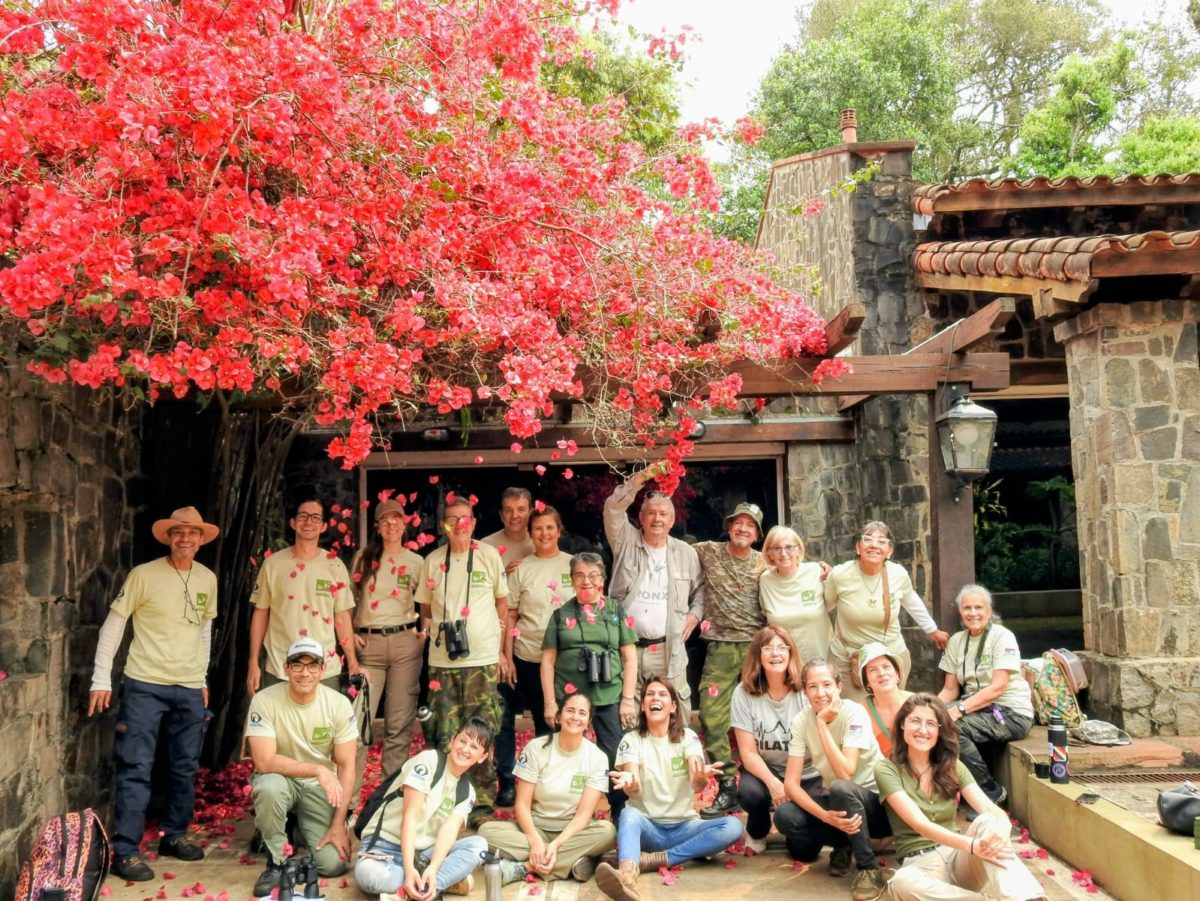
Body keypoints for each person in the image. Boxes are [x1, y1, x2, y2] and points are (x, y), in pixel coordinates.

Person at [88, 506, 220, 882]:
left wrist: (202, 677)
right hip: (145, 684)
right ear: (168, 537)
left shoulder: (207, 579)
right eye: (178, 532)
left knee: (185, 766)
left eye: (192, 533)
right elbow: (114, 626)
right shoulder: (144, 575)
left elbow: (204, 631)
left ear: (200, 539)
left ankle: (174, 835)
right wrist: (101, 678)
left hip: (190, 687)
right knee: (136, 767)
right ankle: (126, 850)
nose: (185, 539)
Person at [876, 694, 1048, 901]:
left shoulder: (953, 766)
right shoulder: (887, 769)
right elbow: (919, 823)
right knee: (901, 883)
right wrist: (973, 846)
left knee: (988, 821)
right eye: (915, 721)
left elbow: (990, 809)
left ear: (939, 731)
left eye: (931, 723)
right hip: (921, 866)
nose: (923, 730)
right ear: (903, 724)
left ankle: (1027, 897)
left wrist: (998, 834)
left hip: (960, 860)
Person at [595, 678, 742, 901]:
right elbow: (634, 791)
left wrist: (701, 780)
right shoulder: (631, 740)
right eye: (650, 695)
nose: (655, 698)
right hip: (648, 829)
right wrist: (631, 785)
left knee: (732, 826)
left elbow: (696, 783)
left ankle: (653, 861)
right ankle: (626, 878)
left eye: (662, 694)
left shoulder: (688, 737)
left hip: (685, 827)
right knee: (628, 814)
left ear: (673, 706)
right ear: (643, 705)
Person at [414, 495, 511, 827]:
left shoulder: (488, 558)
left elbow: (502, 604)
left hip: (482, 660)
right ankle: (445, 799)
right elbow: (425, 611)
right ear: (444, 524)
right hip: (443, 661)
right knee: (444, 732)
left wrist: (498, 650)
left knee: (482, 733)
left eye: (465, 518)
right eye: (452, 519)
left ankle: (481, 806)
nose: (459, 524)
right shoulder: (432, 561)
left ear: (474, 521)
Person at [245, 637, 357, 897]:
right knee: (269, 788)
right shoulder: (264, 700)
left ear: (322, 670)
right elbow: (263, 760)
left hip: (317, 789)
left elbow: (347, 766)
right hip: (280, 779)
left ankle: (295, 828)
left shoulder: (339, 704)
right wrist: (318, 769)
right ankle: (276, 861)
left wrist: (339, 824)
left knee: (332, 864)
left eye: (312, 665)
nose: (304, 673)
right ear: (286, 669)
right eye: (297, 665)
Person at [773, 659, 889, 901]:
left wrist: (822, 726)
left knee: (840, 788)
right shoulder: (800, 721)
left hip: (879, 807)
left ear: (839, 687)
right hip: (841, 807)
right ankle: (845, 844)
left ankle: (869, 869)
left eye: (827, 684)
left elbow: (845, 771)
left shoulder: (854, 713)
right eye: (812, 687)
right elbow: (791, 785)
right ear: (804, 691)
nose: (821, 693)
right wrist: (825, 817)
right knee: (785, 815)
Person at [478, 690, 617, 884]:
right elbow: (522, 805)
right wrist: (535, 841)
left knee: (607, 832)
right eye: (570, 710)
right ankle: (574, 862)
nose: (575, 717)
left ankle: (524, 867)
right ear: (559, 716)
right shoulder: (536, 748)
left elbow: (584, 816)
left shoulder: (597, 758)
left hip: (572, 832)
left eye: (582, 713)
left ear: (588, 721)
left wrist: (555, 845)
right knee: (486, 832)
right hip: (534, 828)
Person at [603, 464, 703, 722]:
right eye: (651, 513)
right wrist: (641, 479)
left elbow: (702, 589)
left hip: (667, 648)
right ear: (641, 518)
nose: (657, 519)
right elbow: (613, 508)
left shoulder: (685, 553)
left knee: (675, 716)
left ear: (671, 521)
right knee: (629, 717)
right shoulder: (625, 541)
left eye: (663, 514)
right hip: (627, 648)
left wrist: (695, 615)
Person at [353, 718, 494, 900]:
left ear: (482, 757)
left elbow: (448, 833)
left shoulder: (467, 792)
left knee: (478, 846)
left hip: (422, 855)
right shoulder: (429, 761)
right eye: (463, 740)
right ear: (453, 740)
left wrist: (434, 868)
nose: (465, 749)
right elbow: (410, 816)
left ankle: (425, 886)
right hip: (384, 847)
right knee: (369, 875)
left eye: (474, 747)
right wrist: (410, 869)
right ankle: (430, 885)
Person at [541, 552, 638, 816]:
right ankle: (570, 811)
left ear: (603, 580)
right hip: (570, 698)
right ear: (572, 581)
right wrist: (551, 702)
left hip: (609, 695)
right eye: (580, 575)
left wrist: (627, 699)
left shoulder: (615, 611)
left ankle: (618, 810)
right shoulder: (561, 615)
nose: (587, 581)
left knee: (613, 752)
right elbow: (548, 662)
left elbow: (630, 658)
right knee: (569, 752)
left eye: (594, 575)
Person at [690, 502, 766, 817]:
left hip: (756, 649)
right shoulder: (706, 551)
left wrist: (821, 569)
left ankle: (764, 784)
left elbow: (796, 563)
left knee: (762, 717)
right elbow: (667, 548)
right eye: (739, 523)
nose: (743, 529)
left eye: (751, 525)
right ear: (729, 526)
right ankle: (726, 787)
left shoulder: (766, 560)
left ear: (758, 533)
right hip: (720, 647)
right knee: (712, 716)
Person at [247, 496, 363, 695]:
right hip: (279, 667)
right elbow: (260, 613)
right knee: (280, 726)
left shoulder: (335, 566)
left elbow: (342, 617)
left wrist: (352, 662)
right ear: (293, 523)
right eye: (303, 516)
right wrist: (253, 663)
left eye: (316, 518)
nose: (309, 522)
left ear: (324, 526)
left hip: (324, 670)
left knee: (323, 726)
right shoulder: (273, 565)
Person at [823, 520, 949, 701]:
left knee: (890, 711)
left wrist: (932, 630)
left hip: (889, 655)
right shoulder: (840, 575)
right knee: (854, 715)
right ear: (858, 548)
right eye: (868, 539)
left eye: (882, 541)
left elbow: (911, 600)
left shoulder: (897, 574)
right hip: (848, 656)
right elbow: (824, 606)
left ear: (889, 551)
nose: (874, 545)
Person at [497, 503, 571, 806]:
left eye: (549, 527)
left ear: (559, 531)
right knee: (505, 720)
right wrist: (508, 657)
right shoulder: (521, 568)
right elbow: (510, 616)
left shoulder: (573, 565)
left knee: (550, 722)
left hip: (563, 660)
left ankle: (548, 782)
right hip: (526, 656)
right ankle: (507, 779)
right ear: (531, 533)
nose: (544, 533)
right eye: (538, 528)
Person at [937, 584, 1035, 806]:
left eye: (979, 607)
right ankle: (949, 791)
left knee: (952, 728)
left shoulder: (1002, 637)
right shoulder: (956, 641)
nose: (973, 613)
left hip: (1010, 712)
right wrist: (927, 709)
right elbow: (950, 689)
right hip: (976, 708)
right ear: (960, 612)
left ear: (989, 611)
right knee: (930, 723)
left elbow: (998, 687)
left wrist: (958, 710)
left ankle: (990, 790)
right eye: (967, 608)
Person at [350, 498, 427, 779]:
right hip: (369, 646)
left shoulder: (417, 561)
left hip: (406, 643)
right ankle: (349, 804)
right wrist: (351, 634)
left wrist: (425, 631)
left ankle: (385, 802)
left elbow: (427, 601)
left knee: (398, 725)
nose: (391, 524)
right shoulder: (364, 558)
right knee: (359, 724)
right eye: (385, 520)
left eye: (396, 519)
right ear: (377, 527)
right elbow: (348, 601)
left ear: (405, 524)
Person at [730, 626, 810, 854]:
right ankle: (758, 827)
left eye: (782, 648)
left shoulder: (805, 690)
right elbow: (747, 752)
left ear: (791, 653)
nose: (776, 654)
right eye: (768, 648)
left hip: (805, 771)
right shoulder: (743, 693)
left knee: (803, 852)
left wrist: (791, 784)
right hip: (767, 768)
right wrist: (774, 783)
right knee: (750, 793)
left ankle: (794, 826)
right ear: (758, 655)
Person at [481, 487, 535, 806]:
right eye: (509, 509)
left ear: (530, 511)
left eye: (521, 508)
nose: (515, 515)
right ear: (501, 514)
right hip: (496, 641)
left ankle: (542, 778)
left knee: (545, 715)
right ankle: (506, 776)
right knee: (502, 716)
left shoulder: (541, 540)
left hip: (533, 644)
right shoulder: (487, 547)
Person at [758, 525, 832, 666]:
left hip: (821, 661)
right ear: (769, 554)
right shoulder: (765, 581)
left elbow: (834, 601)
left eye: (789, 547)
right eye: (777, 548)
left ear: (798, 549)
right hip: (784, 664)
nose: (784, 553)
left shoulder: (816, 572)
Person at [858, 642, 912, 758]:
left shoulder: (917, 703)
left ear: (897, 674)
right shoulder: (858, 712)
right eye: (873, 670)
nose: (881, 673)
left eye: (886, 667)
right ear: (867, 682)